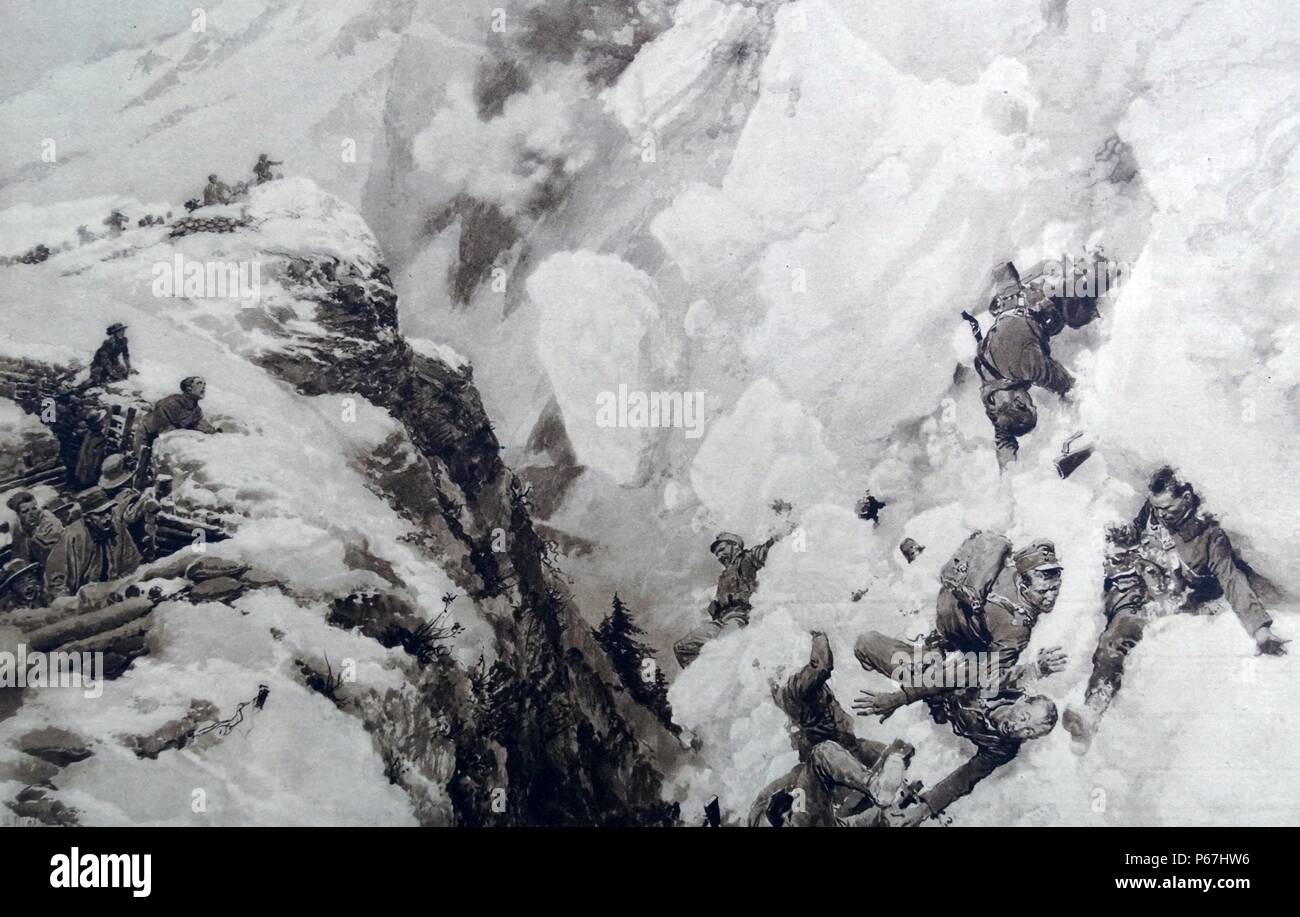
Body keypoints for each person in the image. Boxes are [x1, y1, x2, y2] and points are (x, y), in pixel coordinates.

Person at [1064, 466, 1288, 752]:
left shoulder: (1210, 536)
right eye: (1156, 508)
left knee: (1119, 635)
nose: (1161, 515)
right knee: (1109, 634)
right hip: (1143, 586)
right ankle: (1091, 712)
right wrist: (1125, 535)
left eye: (1167, 508)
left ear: (1186, 497)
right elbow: (1139, 530)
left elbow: (1232, 580)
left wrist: (1261, 631)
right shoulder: (1154, 511)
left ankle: (1094, 712)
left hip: (1178, 603)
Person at [968, 262, 1076, 469]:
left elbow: (1064, 383)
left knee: (1077, 314)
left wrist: (1072, 404)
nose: (1032, 400)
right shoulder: (994, 398)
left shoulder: (1025, 366)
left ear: (1018, 401)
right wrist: (1009, 475)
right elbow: (1003, 437)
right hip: (1008, 305)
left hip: (1036, 302)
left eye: (1030, 404)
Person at [673, 520, 793, 668]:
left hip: (740, 618)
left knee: (724, 648)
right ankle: (704, 680)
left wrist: (782, 528)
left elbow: (766, 550)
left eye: (722, 549)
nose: (719, 556)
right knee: (683, 647)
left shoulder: (747, 559)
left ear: (735, 545)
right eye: (717, 553)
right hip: (720, 621)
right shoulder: (724, 576)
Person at [43, 487, 144, 598]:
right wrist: (71, 603)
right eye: (100, 514)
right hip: (83, 600)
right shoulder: (73, 536)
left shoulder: (117, 526)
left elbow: (132, 563)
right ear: (87, 518)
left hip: (117, 590)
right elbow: (55, 582)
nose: (107, 518)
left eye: (108, 512)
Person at [136, 376, 218, 451]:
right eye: (199, 383)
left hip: (162, 442)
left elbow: (202, 425)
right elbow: (163, 428)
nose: (204, 386)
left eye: (204, 384)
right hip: (146, 438)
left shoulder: (196, 410)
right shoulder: (171, 402)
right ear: (188, 388)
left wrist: (216, 434)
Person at [4, 490, 65, 570]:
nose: (31, 514)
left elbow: (55, 549)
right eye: (25, 511)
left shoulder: (48, 520)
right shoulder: (18, 528)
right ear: (18, 515)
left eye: (34, 508)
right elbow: (20, 555)